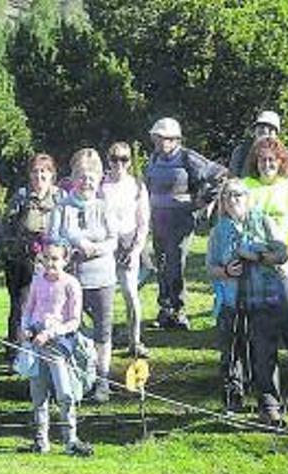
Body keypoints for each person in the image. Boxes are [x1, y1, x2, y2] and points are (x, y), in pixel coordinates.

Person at [207, 179, 288, 420]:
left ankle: (268, 404)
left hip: (262, 298)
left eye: (238, 195)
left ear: (248, 197)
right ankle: (233, 400)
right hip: (230, 300)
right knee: (231, 352)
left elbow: (282, 253)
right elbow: (211, 267)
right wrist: (226, 272)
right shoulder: (218, 231)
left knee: (264, 351)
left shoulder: (263, 221)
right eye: (227, 196)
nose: (233, 200)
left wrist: (255, 255)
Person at [242, 137, 288, 390]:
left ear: (281, 162)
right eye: (262, 160)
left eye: (272, 160)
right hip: (255, 267)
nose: (267, 164)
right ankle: (260, 381)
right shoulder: (245, 186)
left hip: (283, 266)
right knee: (259, 327)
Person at [145, 117, 227, 330]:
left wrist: (201, 201)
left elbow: (220, 175)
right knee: (162, 265)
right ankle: (165, 309)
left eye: (164, 138)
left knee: (176, 264)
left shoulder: (188, 157)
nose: (160, 142)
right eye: (157, 138)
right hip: (158, 220)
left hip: (180, 220)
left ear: (175, 139)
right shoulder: (154, 158)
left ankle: (179, 311)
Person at [49, 149, 118, 402]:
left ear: (99, 178)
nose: (86, 181)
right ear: (73, 178)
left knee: (102, 330)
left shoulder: (104, 207)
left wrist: (95, 248)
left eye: (91, 177)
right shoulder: (62, 208)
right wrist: (74, 244)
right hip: (70, 279)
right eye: (81, 176)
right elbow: (53, 238)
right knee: (69, 328)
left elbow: (114, 239)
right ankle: (72, 379)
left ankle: (103, 380)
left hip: (102, 277)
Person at [17, 239, 93, 456]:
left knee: (64, 393)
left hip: (59, 345)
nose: (50, 263)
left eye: (55, 259)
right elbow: (28, 309)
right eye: (46, 258)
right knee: (38, 393)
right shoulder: (37, 281)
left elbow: (74, 321)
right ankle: (41, 441)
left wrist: (50, 333)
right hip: (35, 344)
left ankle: (70, 440)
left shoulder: (71, 284)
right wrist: (26, 328)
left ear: (65, 260)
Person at [0, 154, 63, 356]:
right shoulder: (21, 196)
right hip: (22, 261)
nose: (39, 175)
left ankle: (47, 347)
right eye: (35, 171)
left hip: (52, 261)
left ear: (52, 174)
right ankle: (16, 350)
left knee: (51, 304)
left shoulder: (60, 197)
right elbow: (6, 224)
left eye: (44, 170)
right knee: (21, 306)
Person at [101, 142, 151, 358]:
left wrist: (136, 250)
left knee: (131, 294)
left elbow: (143, 222)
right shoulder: (100, 186)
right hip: (105, 244)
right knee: (104, 295)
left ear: (130, 161)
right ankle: (104, 338)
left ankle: (135, 341)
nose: (119, 164)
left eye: (124, 159)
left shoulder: (137, 186)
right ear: (108, 160)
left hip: (128, 243)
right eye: (115, 159)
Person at [228, 110, 281, 178]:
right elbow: (232, 179)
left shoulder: (283, 155)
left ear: (276, 134)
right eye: (261, 127)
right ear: (255, 130)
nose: (265, 130)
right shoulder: (241, 152)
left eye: (270, 128)